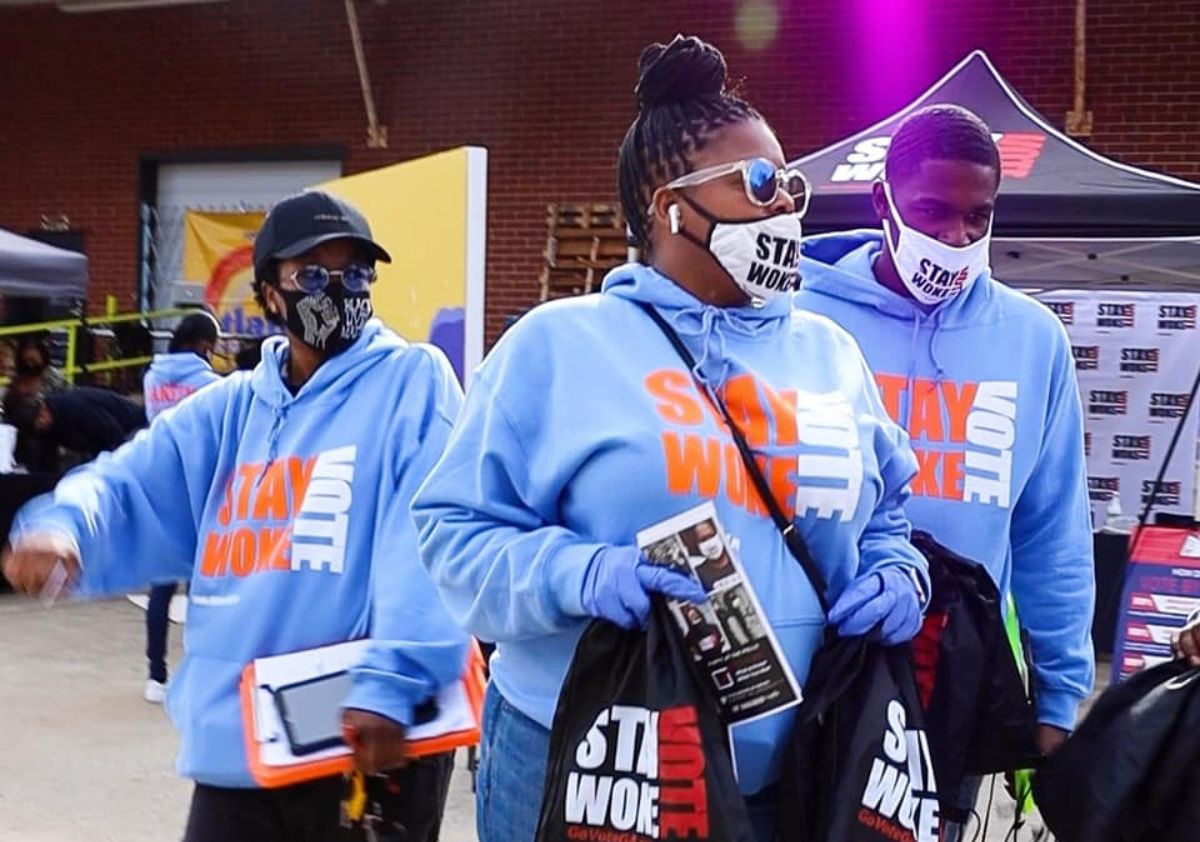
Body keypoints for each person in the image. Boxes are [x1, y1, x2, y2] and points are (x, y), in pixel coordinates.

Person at [412, 35, 930, 842]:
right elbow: (451, 536)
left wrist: (899, 570)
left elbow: (888, 511)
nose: (786, 208)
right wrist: (581, 573)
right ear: (671, 207)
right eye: (760, 184)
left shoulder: (829, 353)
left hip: (794, 772)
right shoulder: (558, 346)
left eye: (791, 186)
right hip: (587, 763)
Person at [2, 190, 468, 842]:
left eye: (355, 275)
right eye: (312, 276)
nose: (338, 291)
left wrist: (393, 681)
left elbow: (427, 535)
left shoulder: (412, 383)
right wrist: (63, 526)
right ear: (269, 296)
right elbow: (128, 482)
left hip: (363, 738)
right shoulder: (228, 411)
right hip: (244, 748)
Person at [796, 104, 1096, 836]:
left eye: (977, 218)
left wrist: (1058, 702)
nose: (956, 239)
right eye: (933, 212)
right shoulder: (800, 319)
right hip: (807, 673)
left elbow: (1052, 535)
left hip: (947, 682)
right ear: (884, 203)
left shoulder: (1033, 341)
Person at [139, 310, 223, 704]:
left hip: (161, 487)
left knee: (161, 588)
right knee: (201, 591)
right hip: (200, 492)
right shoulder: (211, 385)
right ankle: (199, 673)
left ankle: (156, 676)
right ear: (204, 344)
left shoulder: (152, 377)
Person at [3, 382, 146, 467]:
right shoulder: (47, 429)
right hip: (99, 444)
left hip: (132, 428)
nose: (43, 423)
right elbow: (47, 460)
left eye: (41, 416)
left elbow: (113, 434)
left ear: (43, 407)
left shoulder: (76, 407)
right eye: (38, 424)